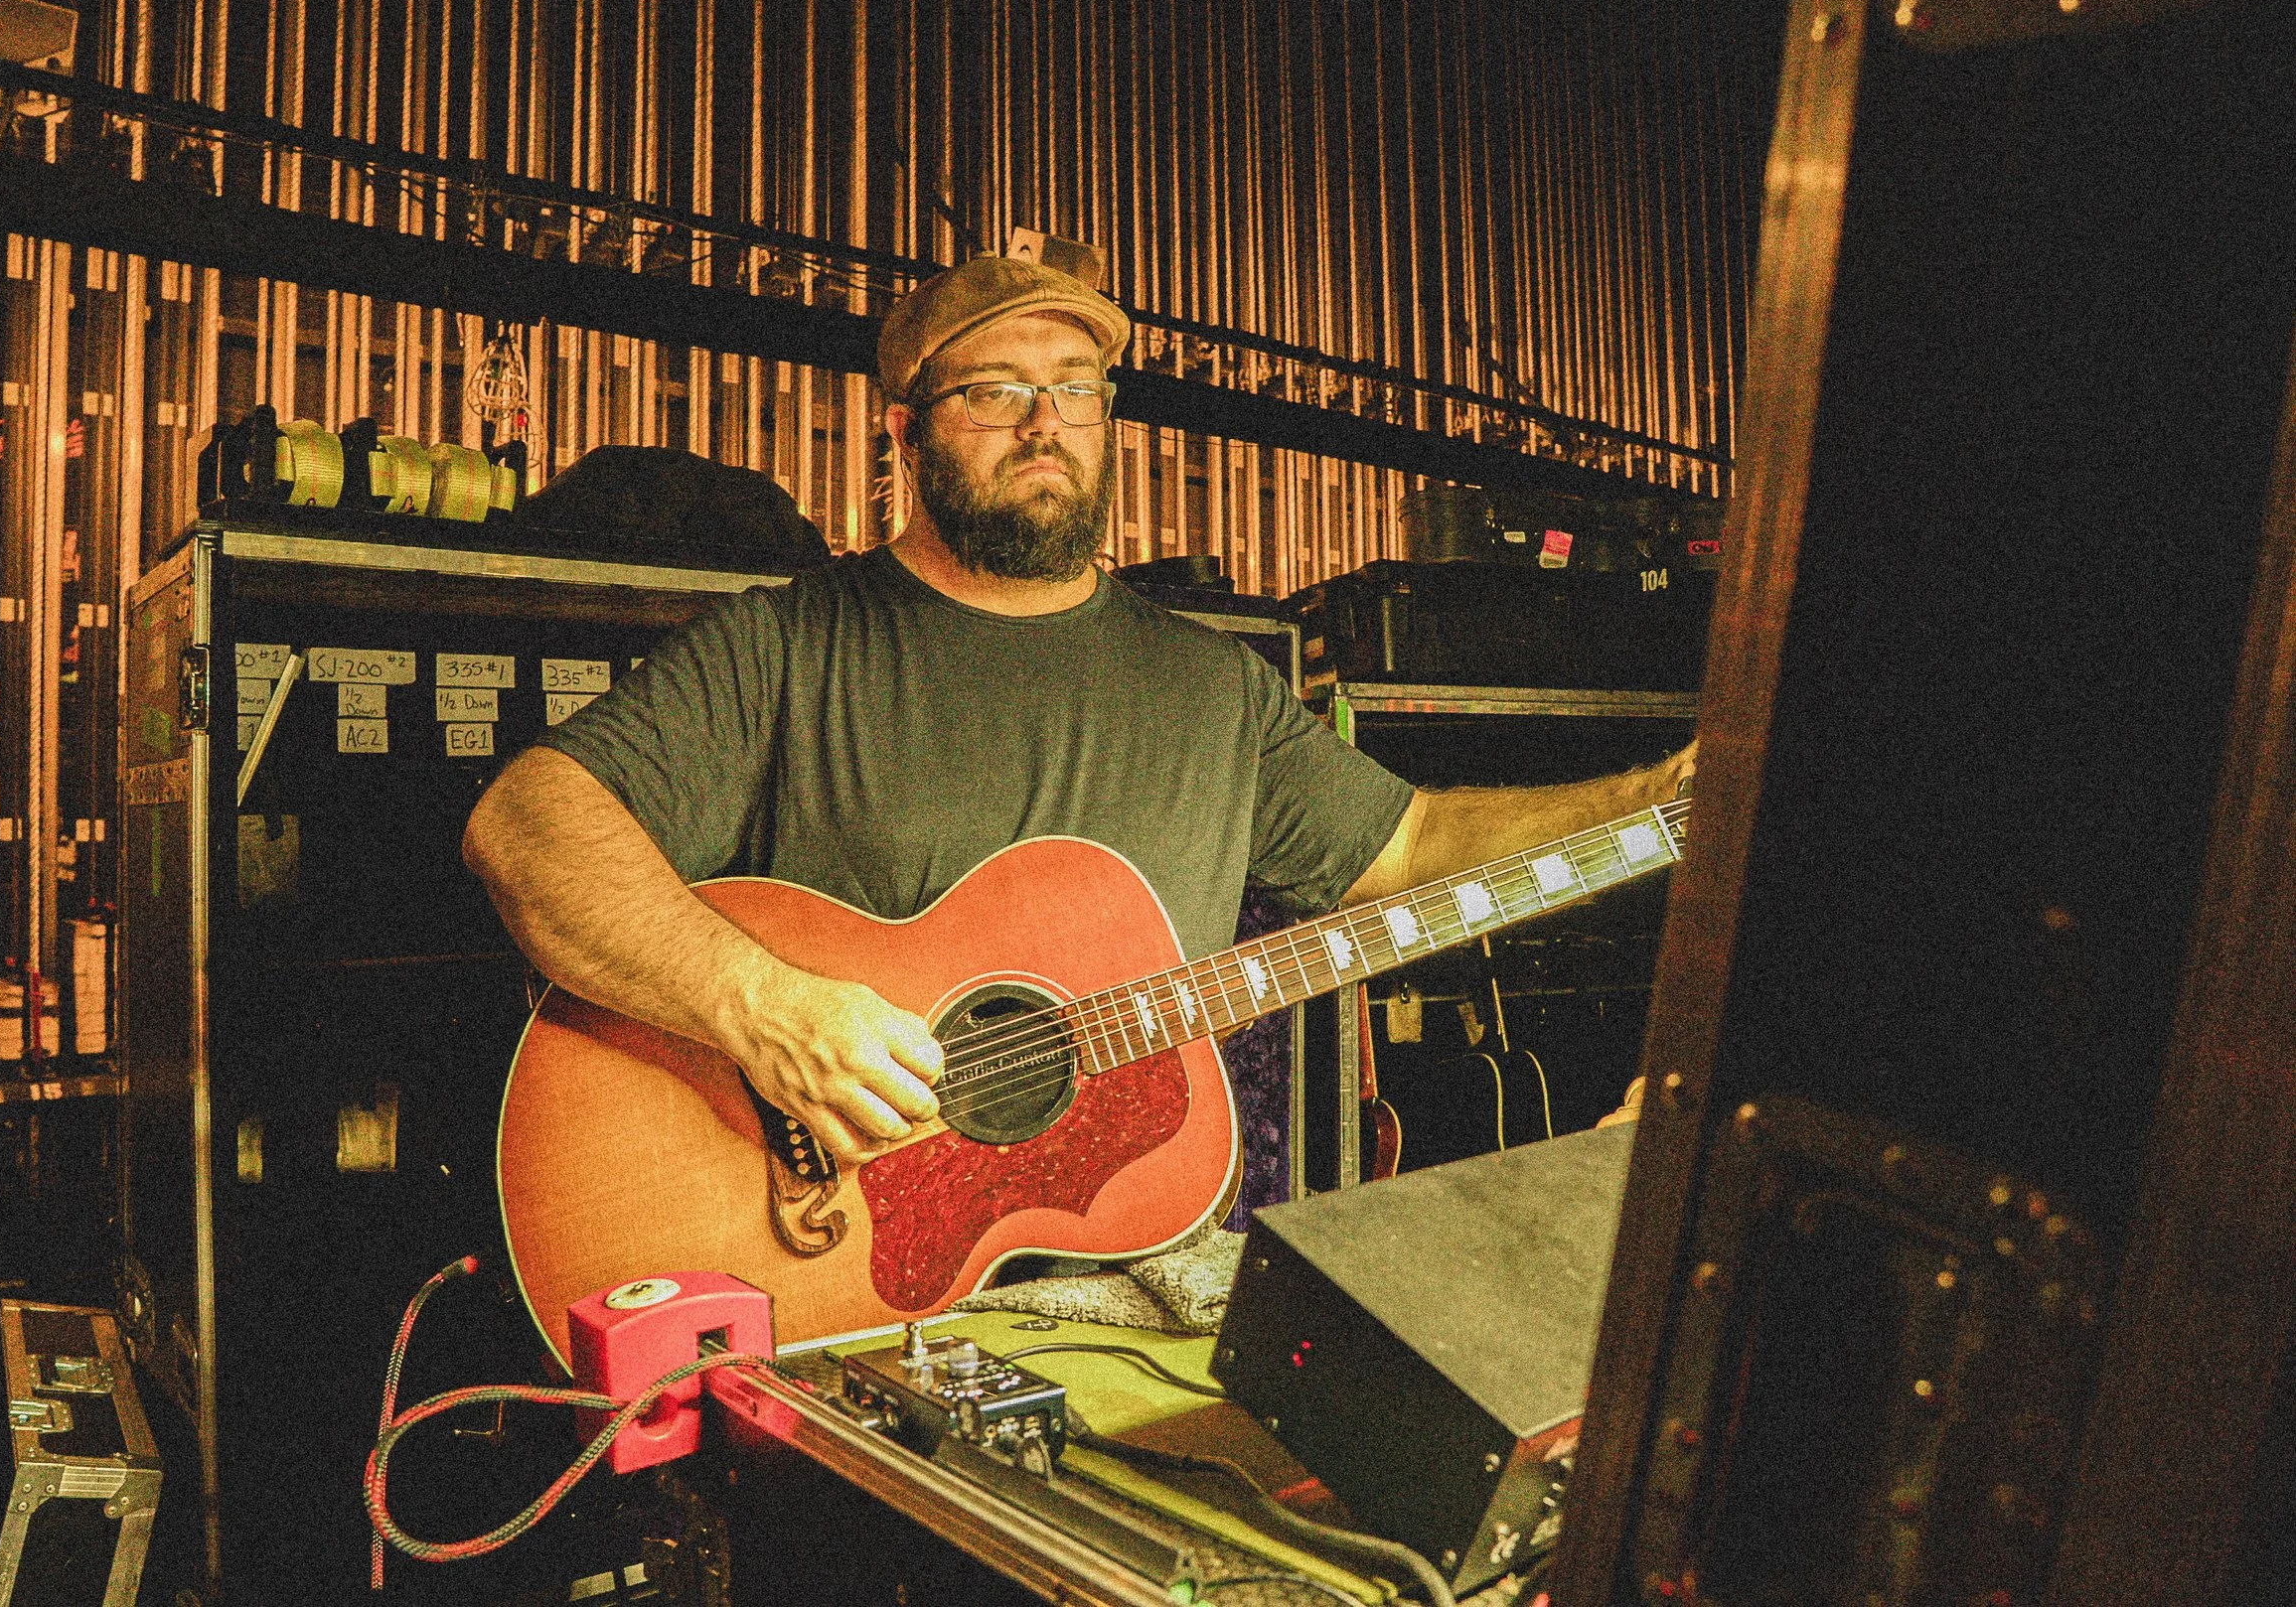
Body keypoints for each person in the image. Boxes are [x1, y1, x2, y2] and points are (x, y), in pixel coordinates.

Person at [463, 252, 1692, 1169]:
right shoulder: (789, 645)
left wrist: (1660, 799)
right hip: (836, 1267)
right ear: (904, 428)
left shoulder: (1214, 688)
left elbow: (1415, 846)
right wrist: (761, 1006)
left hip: (1145, 1261)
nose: (1044, 422)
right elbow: (526, 824)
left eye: (1075, 387)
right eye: (995, 390)